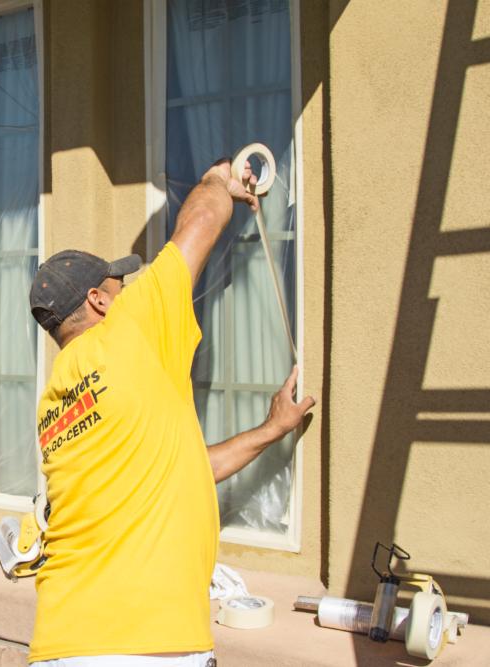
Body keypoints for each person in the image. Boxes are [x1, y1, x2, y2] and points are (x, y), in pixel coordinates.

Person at [26, 159, 315, 666]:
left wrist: (271, 431)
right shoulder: (128, 329)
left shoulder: (56, 403)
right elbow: (197, 227)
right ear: (97, 300)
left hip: (62, 644)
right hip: (147, 645)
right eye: (118, 284)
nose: (127, 289)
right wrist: (218, 181)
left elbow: (180, 470)